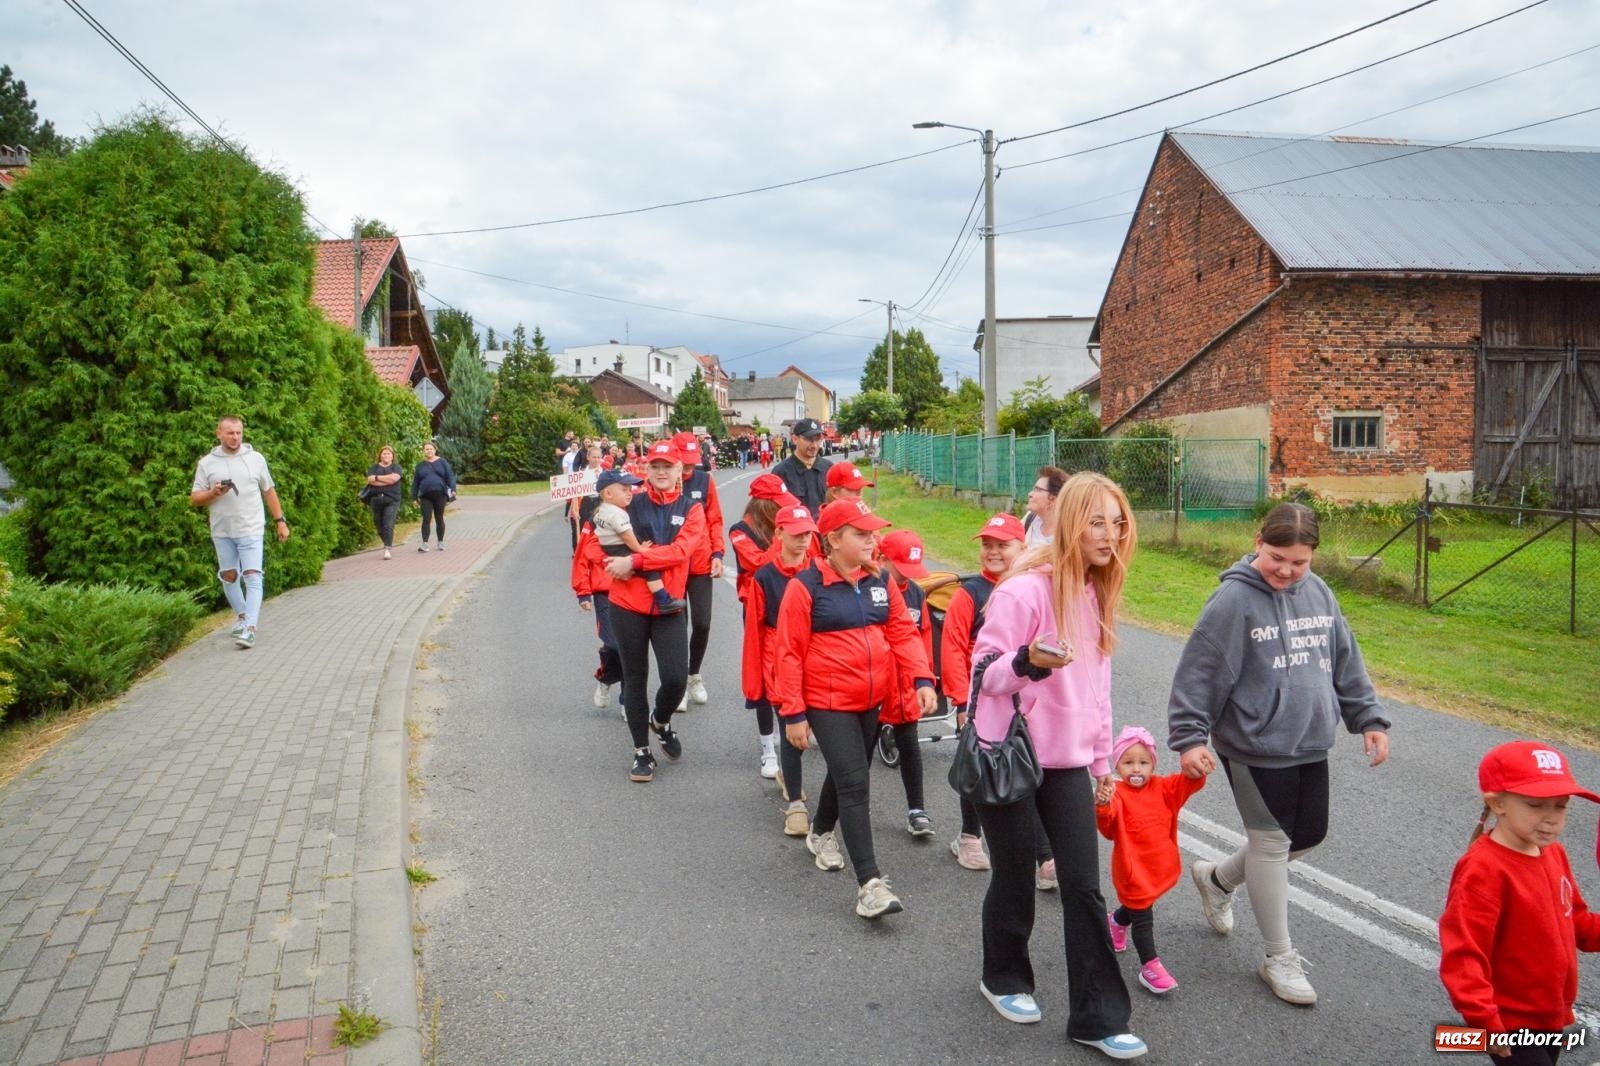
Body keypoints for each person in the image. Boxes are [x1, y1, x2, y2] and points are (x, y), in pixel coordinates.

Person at [1167, 501, 1391, 1007]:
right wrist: (1190, 738)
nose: (1287, 571)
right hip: (1252, 744)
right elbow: (1198, 674)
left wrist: (1369, 718)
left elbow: (1344, 658)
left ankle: (1218, 879)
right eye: (1276, 558)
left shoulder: (1319, 592)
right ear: (1257, 542)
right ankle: (1278, 957)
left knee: (1308, 835)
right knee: (1270, 844)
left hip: (1308, 738)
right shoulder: (1232, 601)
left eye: (1299, 562)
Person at [969, 472, 1145, 1059]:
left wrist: (1100, 762)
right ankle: (1004, 977)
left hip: (1067, 762)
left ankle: (1098, 1017)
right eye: (1097, 522)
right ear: (1070, 524)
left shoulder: (1097, 593)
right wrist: (1028, 661)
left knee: (1084, 887)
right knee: (1015, 875)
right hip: (1007, 754)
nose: (1111, 534)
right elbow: (984, 675)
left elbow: (1098, 689)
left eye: (1118, 523)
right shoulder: (1023, 592)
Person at [775, 499, 935, 920]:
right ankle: (870, 885)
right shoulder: (805, 587)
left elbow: (903, 632)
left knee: (848, 773)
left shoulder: (879, 581)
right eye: (861, 534)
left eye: (873, 532)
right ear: (833, 539)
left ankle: (821, 832)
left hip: (870, 700)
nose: (872, 540)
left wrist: (922, 678)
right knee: (854, 783)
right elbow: (788, 653)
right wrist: (793, 713)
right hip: (826, 701)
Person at [1440, 741, 1600, 1065]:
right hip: (1509, 1022)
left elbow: (1577, 922)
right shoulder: (1484, 870)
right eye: (1536, 805)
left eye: (1561, 806)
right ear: (1497, 803)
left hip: (1550, 1014)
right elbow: (1464, 953)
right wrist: (1484, 1020)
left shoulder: (1554, 853)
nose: (1552, 819)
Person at [943, 512, 1054, 890]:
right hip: (983, 699)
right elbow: (953, 648)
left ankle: (1044, 857)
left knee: (1026, 771)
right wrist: (962, 703)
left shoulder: (1035, 588)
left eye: (1002, 545)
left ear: (1023, 547)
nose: (992, 552)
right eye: (987, 545)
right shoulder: (969, 594)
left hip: (1025, 698)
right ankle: (969, 837)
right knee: (977, 764)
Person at [604, 440, 705, 783]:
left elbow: (680, 552)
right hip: (627, 603)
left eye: (668, 466)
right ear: (646, 469)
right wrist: (612, 561)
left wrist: (634, 560)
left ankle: (660, 722)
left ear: (680, 471)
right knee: (635, 677)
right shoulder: (629, 503)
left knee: (675, 679)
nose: (661, 472)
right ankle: (641, 752)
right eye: (655, 466)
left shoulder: (692, 509)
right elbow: (602, 543)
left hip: (668, 604)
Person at [1096, 726, 1206, 996]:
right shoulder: (1117, 793)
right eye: (1128, 762)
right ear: (1116, 766)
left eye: (1143, 763)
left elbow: (1188, 783)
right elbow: (1108, 829)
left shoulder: (1163, 788)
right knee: (1143, 917)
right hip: (1132, 871)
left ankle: (1116, 922)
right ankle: (1150, 965)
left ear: (1153, 765)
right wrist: (1103, 805)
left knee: (1139, 904)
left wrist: (1199, 767)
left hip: (1156, 866)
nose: (1136, 769)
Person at [189, 415, 290, 650]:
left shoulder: (255, 459)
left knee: (253, 575)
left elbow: (269, 491)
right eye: (230, 433)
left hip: (251, 527)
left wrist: (280, 521)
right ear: (219, 434)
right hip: (222, 530)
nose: (235, 437)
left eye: (239, 433)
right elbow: (194, 499)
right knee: (229, 576)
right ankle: (243, 616)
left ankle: (250, 629)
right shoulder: (207, 463)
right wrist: (213, 493)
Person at [743, 503, 818, 796]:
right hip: (777, 658)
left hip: (814, 655)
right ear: (779, 534)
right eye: (796, 533)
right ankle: (793, 790)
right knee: (790, 722)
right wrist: (755, 682)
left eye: (807, 533)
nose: (803, 539)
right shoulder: (764, 577)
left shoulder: (819, 570)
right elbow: (755, 631)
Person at [877, 530, 937, 840]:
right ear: (881, 559)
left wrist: (924, 678)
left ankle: (917, 810)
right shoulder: (871, 587)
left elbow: (923, 637)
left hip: (905, 689)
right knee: (857, 756)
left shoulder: (916, 593)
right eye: (901, 568)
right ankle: (840, 813)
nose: (907, 575)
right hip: (875, 688)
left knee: (910, 746)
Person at [673, 432, 725, 709]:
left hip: (701, 562)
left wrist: (718, 553)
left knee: (702, 623)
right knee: (677, 625)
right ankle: (679, 682)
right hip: (672, 564)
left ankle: (694, 674)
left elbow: (715, 519)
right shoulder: (663, 481)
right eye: (684, 461)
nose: (689, 466)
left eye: (693, 460)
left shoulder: (705, 481)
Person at [593, 468, 685, 615]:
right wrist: (640, 550)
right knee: (649, 568)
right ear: (608, 494)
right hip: (619, 548)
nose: (630, 493)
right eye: (624, 490)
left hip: (609, 547)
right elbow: (626, 536)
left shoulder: (602, 510)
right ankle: (663, 600)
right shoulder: (617, 513)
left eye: (630, 489)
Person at [572, 496, 624, 711]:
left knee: (630, 649)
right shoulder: (593, 523)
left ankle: (628, 701)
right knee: (613, 645)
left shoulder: (635, 517)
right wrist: (583, 592)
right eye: (623, 489)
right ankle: (605, 678)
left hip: (632, 592)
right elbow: (581, 558)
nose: (628, 493)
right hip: (605, 594)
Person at [728, 473, 791, 605]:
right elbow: (758, 564)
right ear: (765, 506)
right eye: (780, 505)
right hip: (756, 600)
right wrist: (781, 537)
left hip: (785, 592)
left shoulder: (778, 524)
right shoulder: (739, 531)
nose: (784, 509)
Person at [774, 419, 833, 516]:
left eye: (818, 439)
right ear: (795, 439)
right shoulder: (781, 472)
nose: (814, 445)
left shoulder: (829, 468)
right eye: (809, 439)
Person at [412, 441, 457, 552]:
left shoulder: (442, 462)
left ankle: (440, 542)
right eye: (426, 449)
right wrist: (414, 497)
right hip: (425, 496)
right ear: (423, 451)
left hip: (440, 494)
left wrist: (453, 489)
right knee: (426, 518)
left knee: (439, 517)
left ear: (435, 450)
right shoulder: (420, 466)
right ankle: (424, 544)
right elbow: (415, 483)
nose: (429, 451)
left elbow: (450, 476)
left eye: (431, 449)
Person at [363, 445, 403, 561]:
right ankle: (387, 542)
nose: (386, 455)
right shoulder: (374, 467)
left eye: (388, 453)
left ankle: (387, 549)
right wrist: (386, 480)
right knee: (379, 525)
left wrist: (377, 478)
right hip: (376, 500)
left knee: (388, 523)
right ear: (380, 455)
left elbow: (394, 479)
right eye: (384, 453)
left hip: (392, 500)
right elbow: (370, 481)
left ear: (392, 456)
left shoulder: (396, 467)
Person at [1023, 466, 1067, 547]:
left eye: (1037, 489)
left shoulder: (1068, 534)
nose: (1030, 494)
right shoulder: (1029, 519)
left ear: (1053, 498)